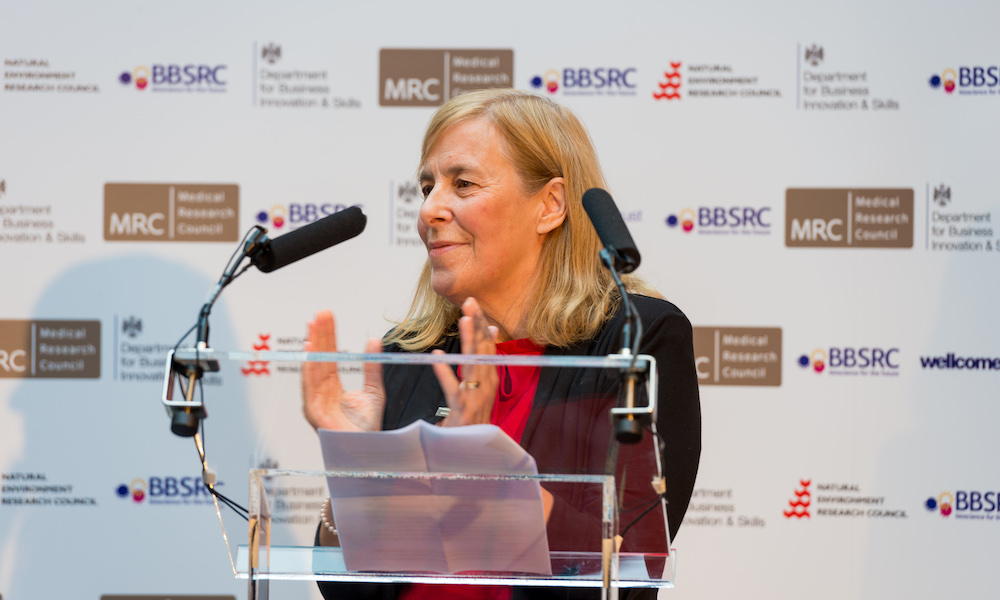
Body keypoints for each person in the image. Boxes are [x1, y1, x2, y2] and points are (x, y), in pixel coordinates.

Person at [302, 88, 701, 600]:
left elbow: (628, 567)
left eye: (461, 183)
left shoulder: (635, 341)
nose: (429, 210)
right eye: (427, 187)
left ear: (550, 205)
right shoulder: (411, 354)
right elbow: (348, 592)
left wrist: (490, 477)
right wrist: (353, 472)